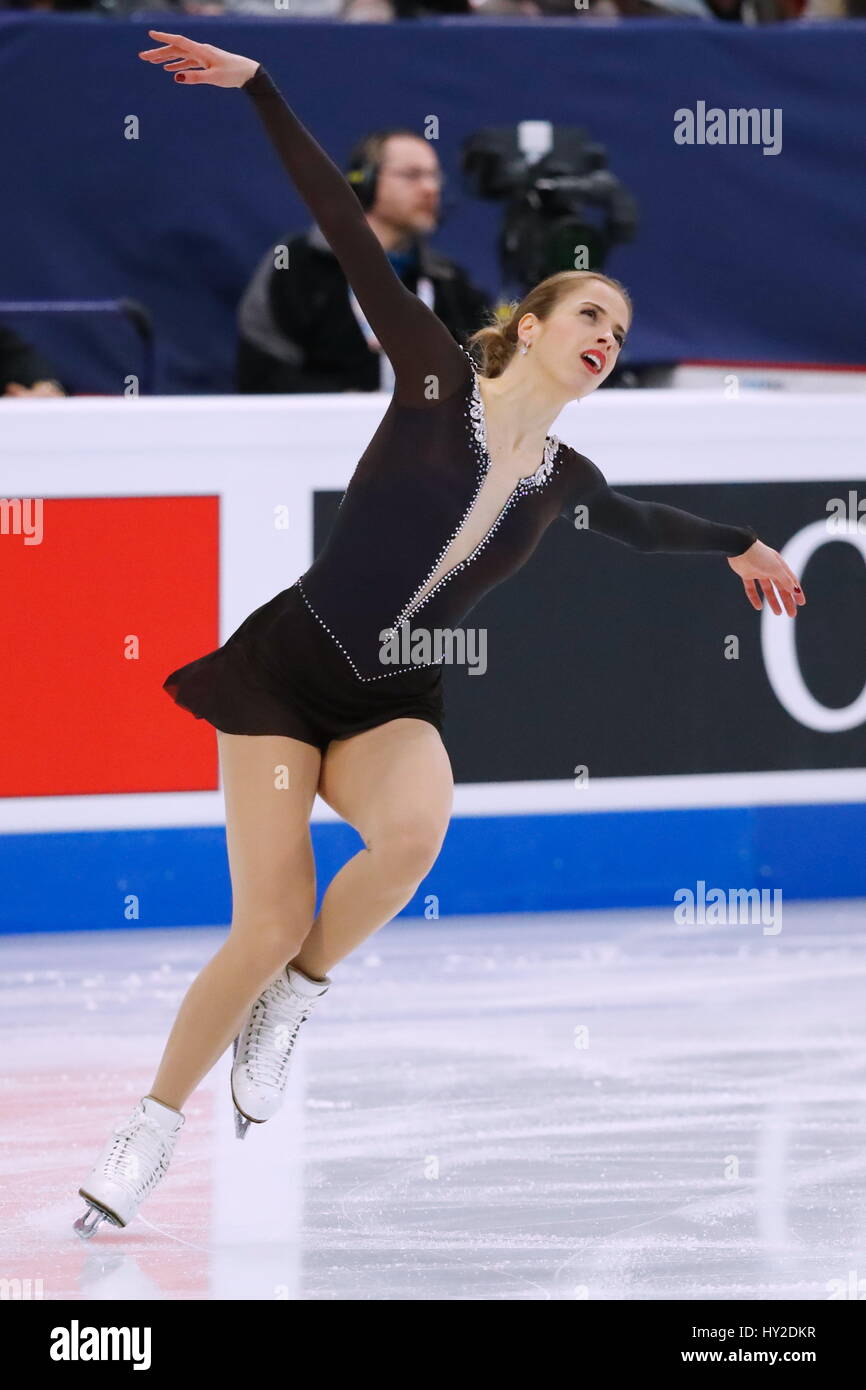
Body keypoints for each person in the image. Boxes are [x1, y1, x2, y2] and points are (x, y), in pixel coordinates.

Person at [74, 30, 805, 1238]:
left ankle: (299, 995)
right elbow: (342, 221)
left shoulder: (566, 474)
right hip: (283, 672)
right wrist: (261, 85)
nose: (605, 337)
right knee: (261, 920)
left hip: (393, 693)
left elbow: (636, 523)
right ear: (527, 326)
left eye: (619, 331)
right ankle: (150, 1125)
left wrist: (738, 541)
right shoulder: (425, 375)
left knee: (412, 834)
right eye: (588, 313)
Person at [236, 125, 491, 394]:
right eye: (412, 175)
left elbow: (485, 374)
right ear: (365, 181)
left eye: (434, 176)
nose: (430, 189)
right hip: (319, 433)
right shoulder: (298, 265)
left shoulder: (447, 280)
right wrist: (342, 408)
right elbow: (262, 372)